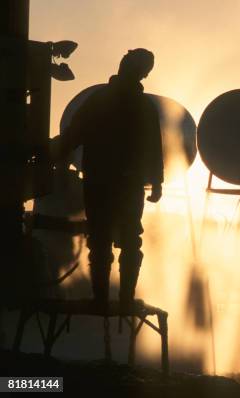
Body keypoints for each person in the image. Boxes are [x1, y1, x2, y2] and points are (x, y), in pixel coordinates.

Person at [51, 48, 163, 309]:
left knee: (103, 239)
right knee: (127, 238)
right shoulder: (142, 106)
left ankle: (102, 299)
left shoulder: (100, 100)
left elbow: (74, 134)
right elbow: (153, 148)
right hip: (125, 183)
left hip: (101, 181)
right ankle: (122, 299)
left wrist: (55, 154)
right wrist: (157, 182)